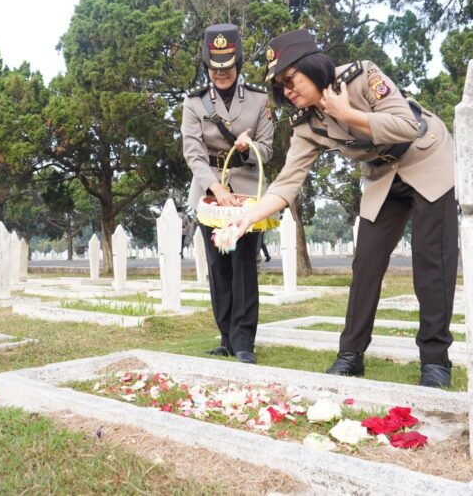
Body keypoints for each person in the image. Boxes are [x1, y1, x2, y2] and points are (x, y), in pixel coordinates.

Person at [233, 30, 457, 387]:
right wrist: (251, 215)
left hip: (426, 158)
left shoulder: (361, 75)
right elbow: (289, 180)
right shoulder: (306, 124)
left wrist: (347, 113)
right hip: (383, 173)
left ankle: (435, 360)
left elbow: (407, 126)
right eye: (281, 87)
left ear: (312, 66)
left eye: (291, 80)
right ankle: (350, 355)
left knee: (431, 261)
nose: (288, 91)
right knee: (366, 263)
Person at [182, 23, 274, 364]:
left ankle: (244, 339)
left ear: (238, 64)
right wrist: (215, 188)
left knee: (244, 265)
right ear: (207, 65)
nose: (222, 73)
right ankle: (226, 337)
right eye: (215, 67)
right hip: (210, 193)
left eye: (228, 66)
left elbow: (268, 150)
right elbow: (192, 151)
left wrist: (248, 148)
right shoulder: (193, 103)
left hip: (247, 192)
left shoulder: (260, 100)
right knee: (218, 267)